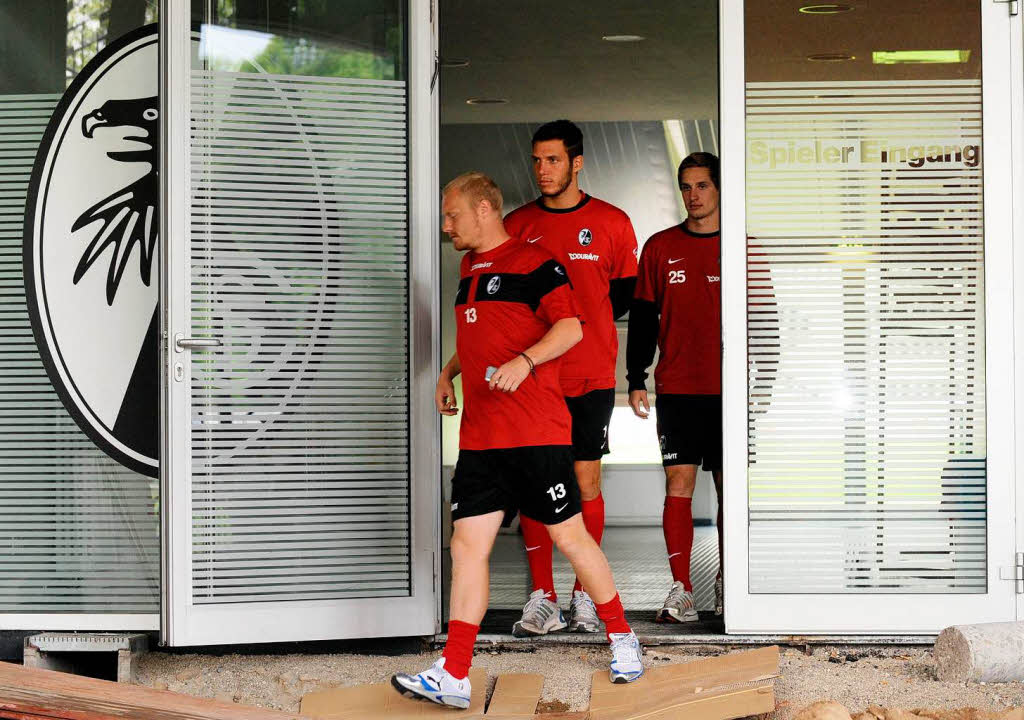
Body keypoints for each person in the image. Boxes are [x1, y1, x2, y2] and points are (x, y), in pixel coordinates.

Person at [392, 172, 643, 709]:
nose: (446, 225)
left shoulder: (536, 263)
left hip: (536, 433)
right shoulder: (468, 267)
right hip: (483, 439)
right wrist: (449, 372)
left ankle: (622, 636)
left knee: (571, 539)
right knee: (467, 547)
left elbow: (571, 328)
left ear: (484, 209)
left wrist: (525, 362)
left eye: (452, 214)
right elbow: (484, 334)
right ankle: (455, 672)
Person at [503, 120, 638, 636]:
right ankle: (543, 597)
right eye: (537, 160)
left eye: (553, 160)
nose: (542, 170)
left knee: (585, 481)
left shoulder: (613, 222)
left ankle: (585, 594)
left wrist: (586, 328)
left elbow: (622, 297)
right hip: (534, 376)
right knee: (536, 481)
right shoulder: (516, 226)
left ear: (576, 163)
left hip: (590, 375)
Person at [625, 152, 723, 622]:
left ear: (719, 189)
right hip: (679, 388)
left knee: (730, 489)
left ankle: (731, 583)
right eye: (687, 187)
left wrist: (762, 384)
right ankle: (681, 589)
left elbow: (767, 321)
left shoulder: (743, 247)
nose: (693, 195)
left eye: (702, 186)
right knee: (678, 483)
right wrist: (635, 378)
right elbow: (643, 317)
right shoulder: (660, 247)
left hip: (729, 391)